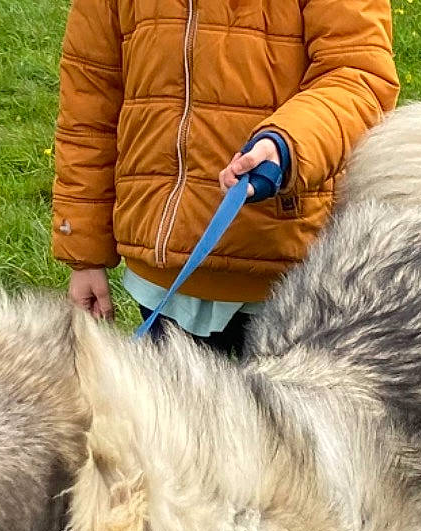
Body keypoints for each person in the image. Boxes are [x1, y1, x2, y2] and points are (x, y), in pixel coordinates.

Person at [51, 0, 397, 356]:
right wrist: (85, 253)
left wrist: (287, 144)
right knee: (172, 413)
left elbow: (358, 76)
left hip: (287, 283)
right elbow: (89, 100)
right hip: (161, 282)